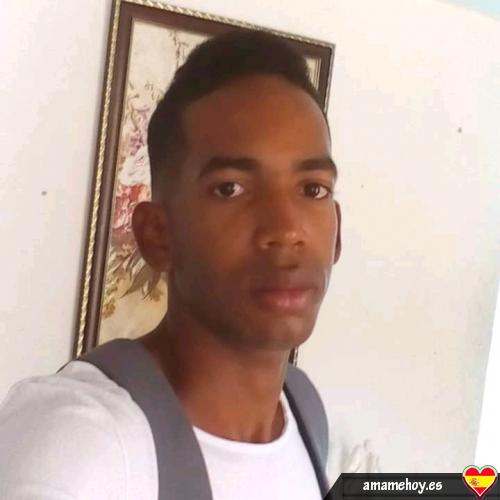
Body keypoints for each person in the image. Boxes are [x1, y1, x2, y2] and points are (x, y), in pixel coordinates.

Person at [0, 30, 375, 499]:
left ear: (337, 232)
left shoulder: (314, 427)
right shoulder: (81, 445)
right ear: (157, 235)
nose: (286, 229)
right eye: (230, 189)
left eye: (312, 189)